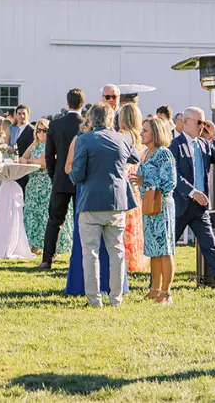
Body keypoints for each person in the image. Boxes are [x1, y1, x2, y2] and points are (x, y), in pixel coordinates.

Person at [69, 103, 137, 308]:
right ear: (111, 119)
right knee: (116, 251)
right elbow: (136, 156)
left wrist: (73, 176)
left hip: (90, 202)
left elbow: (78, 173)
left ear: (91, 119)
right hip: (116, 202)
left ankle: (94, 299)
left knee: (90, 252)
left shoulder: (85, 139)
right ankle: (116, 298)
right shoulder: (123, 139)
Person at [171, 106, 215, 297]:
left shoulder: (203, 144)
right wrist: (192, 192)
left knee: (208, 243)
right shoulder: (175, 145)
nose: (202, 126)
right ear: (185, 122)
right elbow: (173, 175)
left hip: (200, 206)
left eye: (204, 122)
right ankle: (159, 283)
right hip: (181, 203)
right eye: (199, 122)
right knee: (169, 245)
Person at [38, 88, 85, 269]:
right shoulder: (86, 125)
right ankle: (78, 257)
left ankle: (47, 258)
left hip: (60, 178)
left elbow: (49, 155)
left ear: (67, 103)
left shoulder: (56, 125)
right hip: (80, 179)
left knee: (54, 220)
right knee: (80, 220)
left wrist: (53, 175)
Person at [135, 116, 177, 304]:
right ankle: (154, 288)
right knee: (154, 248)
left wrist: (146, 182)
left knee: (165, 248)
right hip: (148, 204)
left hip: (162, 205)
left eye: (145, 130)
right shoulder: (145, 154)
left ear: (155, 133)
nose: (141, 133)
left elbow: (169, 182)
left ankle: (166, 292)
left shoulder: (164, 153)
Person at [21, 120, 69, 258]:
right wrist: (31, 161)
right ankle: (35, 245)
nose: (41, 133)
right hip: (33, 184)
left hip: (46, 184)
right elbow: (22, 158)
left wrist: (30, 162)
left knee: (45, 216)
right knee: (32, 214)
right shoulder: (35, 144)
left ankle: (51, 247)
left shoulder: (51, 145)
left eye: (45, 130)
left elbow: (43, 163)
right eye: (39, 130)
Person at [117, 101, 146, 272]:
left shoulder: (121, 135)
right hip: (137, 186)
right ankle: (135, 261)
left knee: (123, 226)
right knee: (135, 225)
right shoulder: (140, 138)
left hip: (124, 183)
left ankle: (125, 262)